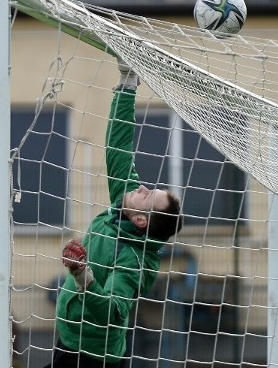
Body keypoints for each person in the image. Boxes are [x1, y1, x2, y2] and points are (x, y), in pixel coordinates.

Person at [45, 59, 183, 368]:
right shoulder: (125, 210)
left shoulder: (134, 261)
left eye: (148, 195)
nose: (142, 187)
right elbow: (119, 149)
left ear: (141, 220)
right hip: (70, 336)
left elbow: (113, 311)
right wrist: (128, 84)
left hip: (93, 356)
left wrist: (83, 276)